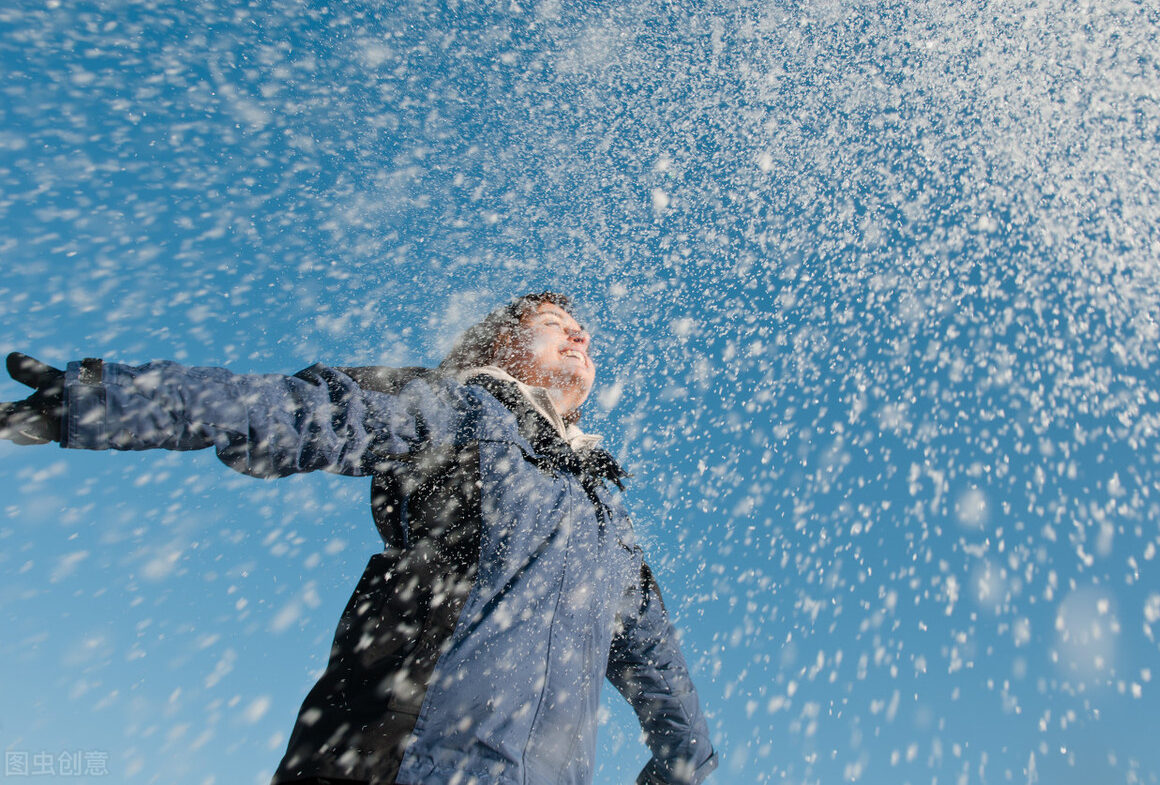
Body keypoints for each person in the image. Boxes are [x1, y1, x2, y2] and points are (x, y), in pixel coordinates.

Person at [0, 292, 717, 785]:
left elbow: (667, 687)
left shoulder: (607, 526)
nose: (580, 334)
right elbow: (303, 412)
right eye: (556, 322)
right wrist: (110, 399)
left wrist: (679, 766)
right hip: (386, 756)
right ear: (503, 340)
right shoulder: (461, 412)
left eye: (582, 328)